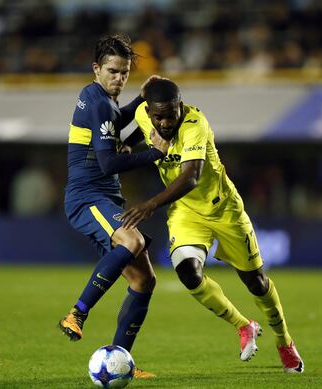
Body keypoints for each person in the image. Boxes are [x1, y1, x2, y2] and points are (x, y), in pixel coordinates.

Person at [121, 78, 304, 373]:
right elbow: (137, 131)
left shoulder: (195, 123)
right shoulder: (145, 114)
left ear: (180, 106)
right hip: (186, 213)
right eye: (159, 116)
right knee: (188, 272)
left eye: (171, 114)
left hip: (224, 210)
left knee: (256, 283)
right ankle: (243, 325)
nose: (166, 122)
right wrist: (126, 146)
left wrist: (150, 204)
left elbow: (190, 176)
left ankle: (285, 341)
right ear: (149, 111)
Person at [58, 34, 170, 378]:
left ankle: (121, 359)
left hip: (105, 197)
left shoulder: (99, 99)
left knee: (144, 281)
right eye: (112, 71)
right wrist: (154, 152)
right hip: (87, 197)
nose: (118, 78)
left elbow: (117, 127)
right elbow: (108, 162)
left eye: (124, 72)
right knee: (132, 241)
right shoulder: (97, 102)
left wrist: (141, 97)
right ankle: (77, 313)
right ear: (96, 69)